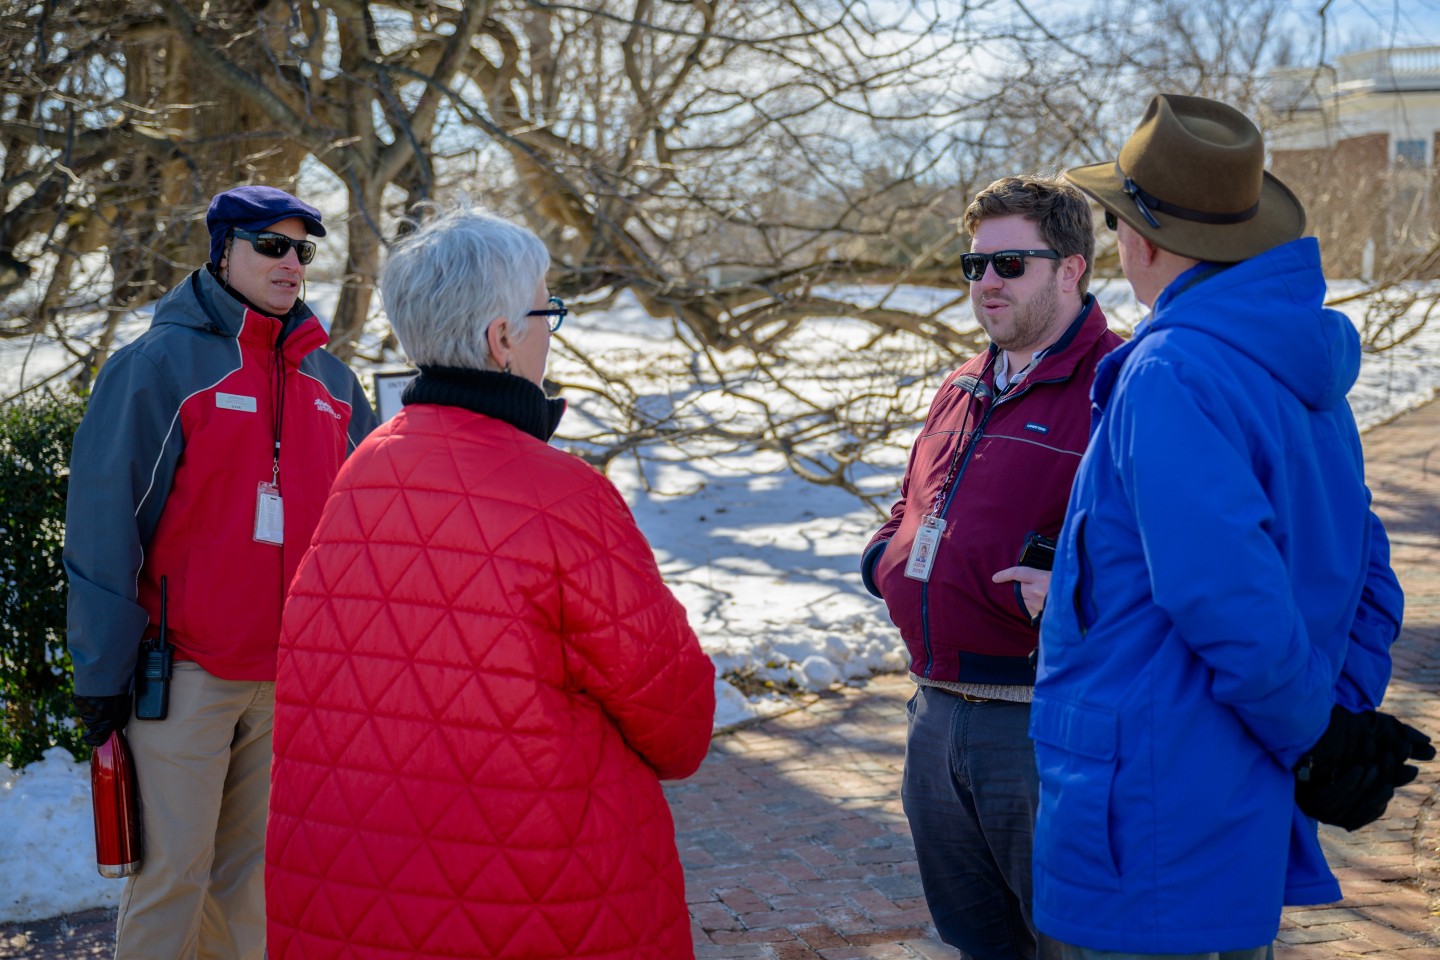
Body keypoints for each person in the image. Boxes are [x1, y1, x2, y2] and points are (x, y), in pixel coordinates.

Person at [1033, 93, 1435, 959]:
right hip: (1229, 795)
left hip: (1147, 808)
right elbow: (1365, 570)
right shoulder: (1295, 373)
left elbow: (1222, 591)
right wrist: (1333, 720)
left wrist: (1322, 736)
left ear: (1138, 241)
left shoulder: (1171, 371)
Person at [264, 206, 717, 959]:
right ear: (501, 339)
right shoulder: (563, 494)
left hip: (353, 886)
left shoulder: (367, 466)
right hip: (539, 892)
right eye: (547, 311)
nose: (552, 330)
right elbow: (679, 725)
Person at [64, 184, 378, 958]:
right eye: (272, 245)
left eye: (303, 249)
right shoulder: (158, 366)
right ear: (223, 250)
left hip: (289, 685)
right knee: (173, 878)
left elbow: (365, 534)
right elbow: (105, 524)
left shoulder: (333, 386)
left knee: (257, 886)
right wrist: (102, 675)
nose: (291, 264)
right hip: (186, 677)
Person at [861, 175, 1122, 959]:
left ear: (1071, 268)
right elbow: (911, 503)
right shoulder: (962, 383)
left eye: (1010, 264)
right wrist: (886, 559)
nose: (987, 284)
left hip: (1039, 724)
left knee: (1068, 943)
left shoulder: (1120, 384)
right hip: (934, 711)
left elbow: (1163, 556)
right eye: (974, 267)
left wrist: (1074, 593)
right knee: (974, 938)